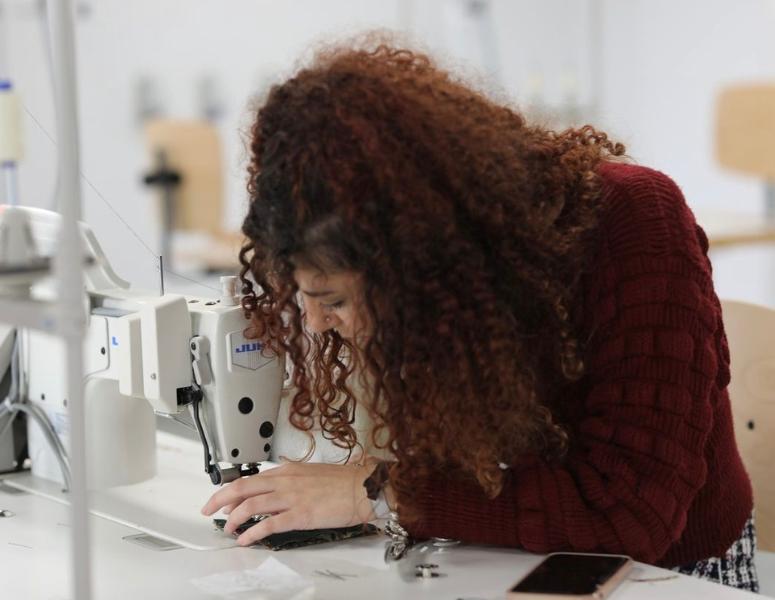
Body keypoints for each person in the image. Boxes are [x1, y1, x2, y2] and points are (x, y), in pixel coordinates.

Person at [200, 42, 757, 591]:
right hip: (514, 554)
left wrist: (375, 492)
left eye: (335, 300)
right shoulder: (443, 300)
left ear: (418, 257)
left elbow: (629, 514)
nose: (318, 324)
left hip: (668, 574)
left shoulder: (637, 221)